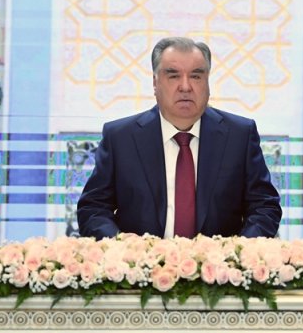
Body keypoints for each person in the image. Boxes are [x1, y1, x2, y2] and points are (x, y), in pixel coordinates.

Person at [77, 37, 282, 239]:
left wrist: (238, 252)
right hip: (141, 260)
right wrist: (121, 248)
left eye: (196, 76)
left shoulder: (239, 135)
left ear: (208, 82)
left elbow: (264, 207)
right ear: (155, 82)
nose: (185, 86)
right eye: (173, 76)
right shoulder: (121, 138)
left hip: (219, 260)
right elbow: (93, 208)